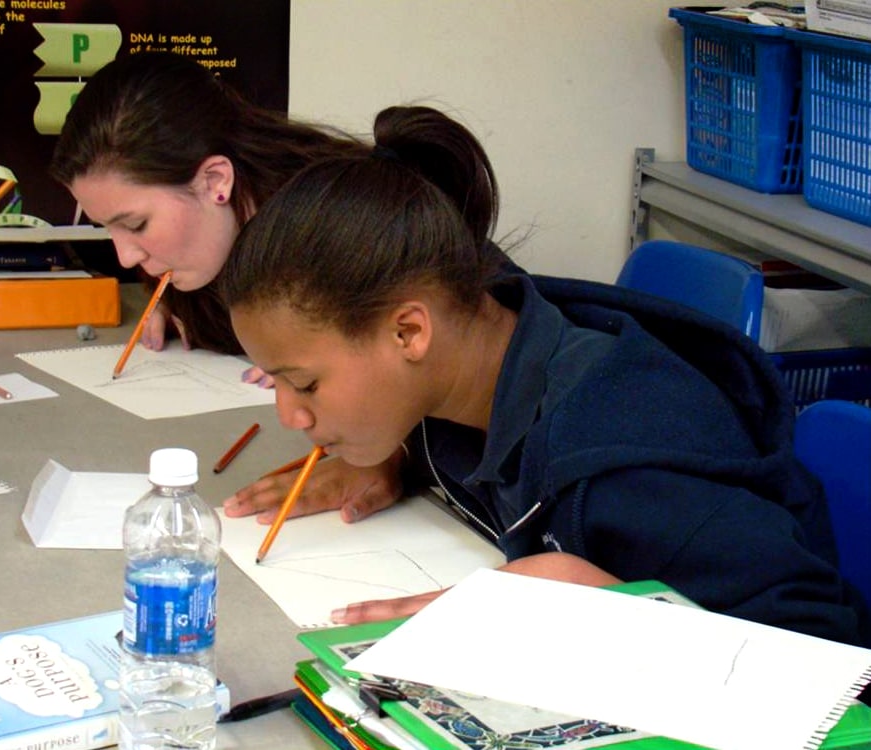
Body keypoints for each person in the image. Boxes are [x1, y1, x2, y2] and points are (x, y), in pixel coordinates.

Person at [217, 107, 871, 647]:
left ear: (408, 332)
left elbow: (830, 663)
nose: (289, 416)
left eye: (305, 383)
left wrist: (602, 600)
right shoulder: (470, 362)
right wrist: (398, 455)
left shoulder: (631, 470)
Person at [49, 51, 513, 524]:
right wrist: (171, 297)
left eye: (137, 225)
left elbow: (466, 333)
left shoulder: (349, 220)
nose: (125, 257)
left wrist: (400, 452)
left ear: (215, 180)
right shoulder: (203, 256)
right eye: (108, 228)